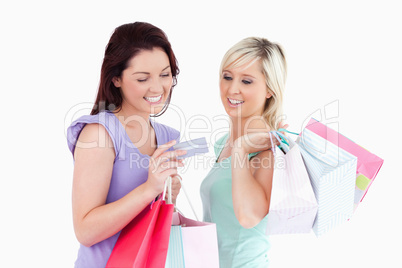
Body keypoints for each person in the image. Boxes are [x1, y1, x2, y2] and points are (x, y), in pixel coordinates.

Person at [66, 22, 186, 268]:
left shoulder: (167, 137)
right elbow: (85, 231)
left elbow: (153, 228)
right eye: (143, 78)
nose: (157, 87)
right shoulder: (99, 134)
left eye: (165, 74)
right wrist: (149, 189)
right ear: (116, 79)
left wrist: (169, 197)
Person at [200, 37, 288, 267]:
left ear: (269, 89)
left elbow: (249, 217)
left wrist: (241, 150)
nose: (232, 89)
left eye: (247, 81)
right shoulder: (223, 143)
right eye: (227, 77)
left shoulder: (267, 148)